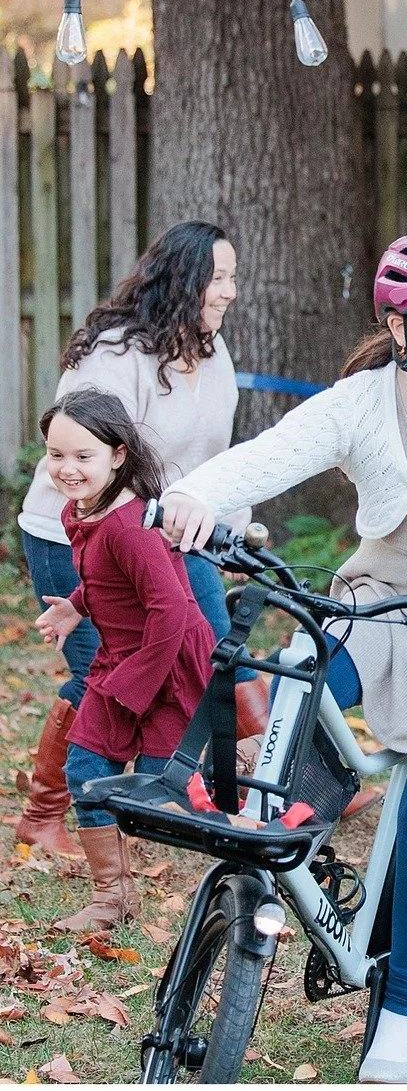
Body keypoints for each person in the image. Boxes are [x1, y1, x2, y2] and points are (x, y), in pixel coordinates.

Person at [158, 228, 407, 1085]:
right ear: (400, 325)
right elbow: (269, 456)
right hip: (380, 596)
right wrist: (193, 494)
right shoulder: (362, 399)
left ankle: (405, 1016)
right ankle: (290, 841)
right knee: (281, 693)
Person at [15, 221, 266, 857]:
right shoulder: (115, 356)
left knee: (210, 655)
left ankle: (266, 786)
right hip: (81, 533)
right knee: (111, 674)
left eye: (233, 277)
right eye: (220, 279)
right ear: (183, 283)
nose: (231, 292)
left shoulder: (212, 354)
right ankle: (45, 814)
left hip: (169, 535)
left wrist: (232, 532)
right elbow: (81, 451)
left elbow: (213, 457)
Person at [34, 388, 215, 931]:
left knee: (163, 791)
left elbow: (171, 611)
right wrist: (75, 605)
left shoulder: (129, 526)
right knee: (87, 769)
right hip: (124, 661)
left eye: (83, 456)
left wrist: (136, 687)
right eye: (55, 454)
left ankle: (246, 773)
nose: (67, 468)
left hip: (169, 660)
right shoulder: (82, 511)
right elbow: (107, 580)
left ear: (118, 455)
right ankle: (111, 898)